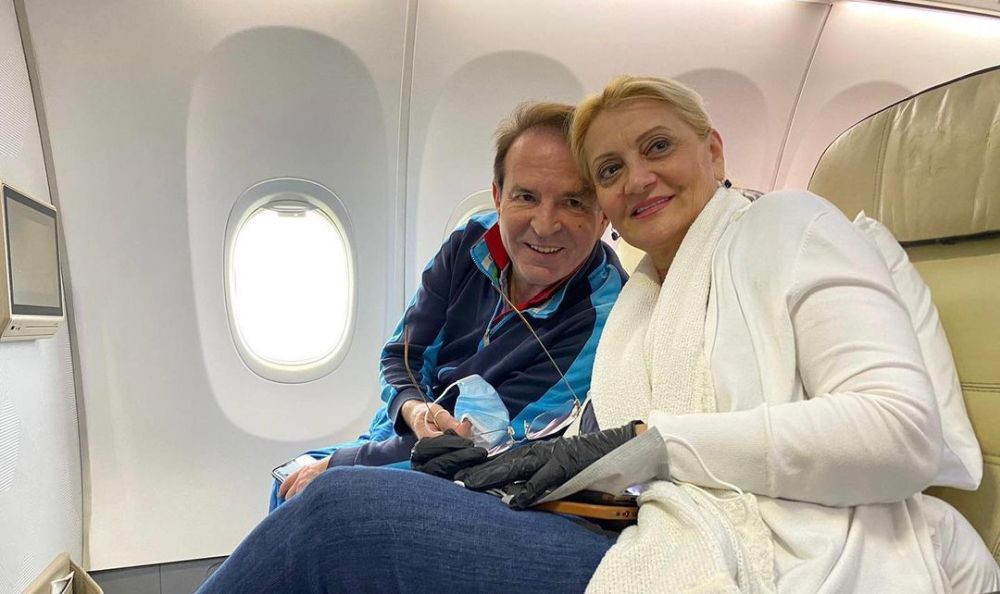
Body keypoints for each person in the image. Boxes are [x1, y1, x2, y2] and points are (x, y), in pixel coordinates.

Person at [200, 76, 1000, 593]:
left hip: (755, 543)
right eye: (610, 169)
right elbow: (603, 452)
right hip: (644, 525)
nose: (636, 178)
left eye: (657, 146)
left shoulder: (791, 226)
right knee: (348, 497)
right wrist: (489, 469)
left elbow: (900, 431)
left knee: (338, 516)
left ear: (713, 150)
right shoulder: (650, 298)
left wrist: (654, 445)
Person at [270, 101, 627, 509]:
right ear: (498, 197)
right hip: (400, 436)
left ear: (603, 214)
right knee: (287, 482)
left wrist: (343, 464)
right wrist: (412, 408)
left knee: (313, 495)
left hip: (481, 480)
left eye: (573, 202)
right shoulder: (469, 243)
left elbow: (481, 444)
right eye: (526, 196)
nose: (545, 225)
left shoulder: (600, 316)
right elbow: (402, 355)